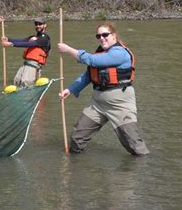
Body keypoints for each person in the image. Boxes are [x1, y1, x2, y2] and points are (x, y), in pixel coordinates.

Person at [56, 23, 149, 155]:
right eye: (98, 36)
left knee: (134, 145)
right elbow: (88, 75)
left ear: (114, 36)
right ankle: (75, 169)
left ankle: (139, 169)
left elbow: (91, 60)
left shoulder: (120, 53)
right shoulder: (101, 51)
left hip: (120, 104)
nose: (101, 38)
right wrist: (70, 90)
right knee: (77, 138)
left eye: (105, 35)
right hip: (98, 103)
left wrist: (68, 50)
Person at [1, 17, 51, 87]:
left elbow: (30, 44)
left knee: (26, 82)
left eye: (40, 24)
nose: (38, 26)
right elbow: (22, 41)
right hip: (26, 64)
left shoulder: (45, 38)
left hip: (34, 65)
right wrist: (8, 39)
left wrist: (11, 44)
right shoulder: (33, 37)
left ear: (45, 25)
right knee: (17, 80)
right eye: (36, 24)